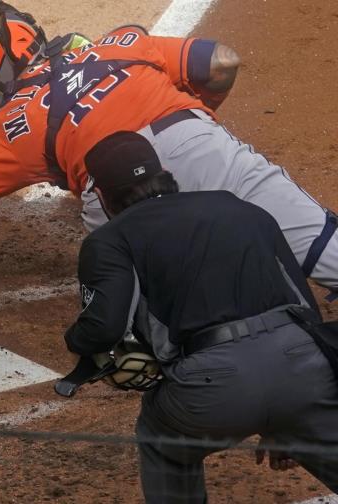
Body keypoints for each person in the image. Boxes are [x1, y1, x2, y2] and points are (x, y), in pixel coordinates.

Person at [0, 1, 337, 299]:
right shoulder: (117, 42)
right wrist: (198, 117)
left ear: (0, 59)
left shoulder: (14, 126)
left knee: (160, 308)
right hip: (198, 142)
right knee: (321, 249)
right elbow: (223, 62)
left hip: (119, 195)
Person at [62, 131, 337, 503]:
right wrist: (288, 421)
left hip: (211, 388)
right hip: (304, 370)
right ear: (166, 174)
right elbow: (305, 308)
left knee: (161, 438)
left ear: (102, 196)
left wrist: (75, 342)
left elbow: (103, 328)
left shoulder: (110, 240)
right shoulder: (240, 207)